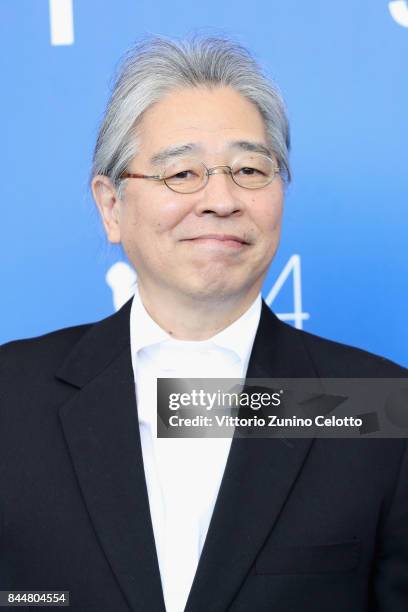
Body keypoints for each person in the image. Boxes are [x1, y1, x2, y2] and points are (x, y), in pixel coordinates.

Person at [0, 35, 407, 612]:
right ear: (111, 206)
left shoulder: (376, 406)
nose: (221, 198)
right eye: (182, 173)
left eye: (248, 168)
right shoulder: (11, 394)